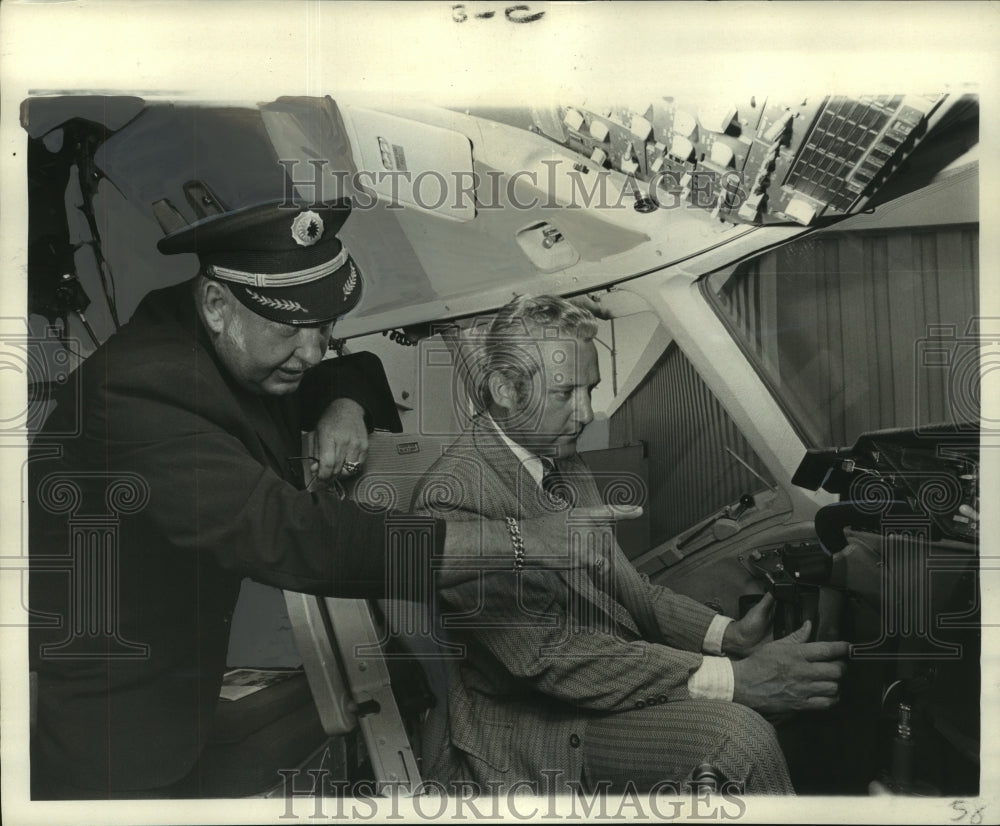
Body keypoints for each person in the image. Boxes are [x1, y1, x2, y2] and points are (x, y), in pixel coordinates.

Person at [28, 203, 625, 799]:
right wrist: (521, 542)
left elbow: (350, 370)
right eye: (292, 330)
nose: (313, 352)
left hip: (176, 683)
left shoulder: (229, 348)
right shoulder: (138, 390)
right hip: (108, 708)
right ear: (216, 306)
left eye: (325, 327)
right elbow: (296, 537)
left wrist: (346, 404)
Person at [410, 294, 851, 796]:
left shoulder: (561, 458)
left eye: (591, 389)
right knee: (739, 739)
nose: (587, 412)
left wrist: (730, 637)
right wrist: (735, 680)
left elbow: (626, 585)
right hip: (536, 726)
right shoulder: (456, 496)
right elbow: (549, 659)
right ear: (505, 389)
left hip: (598, 682)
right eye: (565, 393)